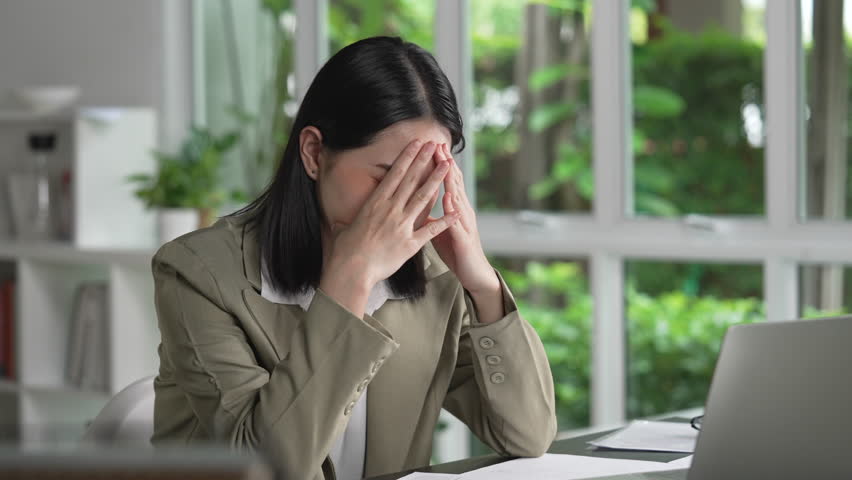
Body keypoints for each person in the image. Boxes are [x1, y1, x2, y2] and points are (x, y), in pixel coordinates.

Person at [150, 36, 556, 480]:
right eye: (388, 175)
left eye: (425, 178)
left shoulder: (435, 276)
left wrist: (481, 283)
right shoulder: (199, 274)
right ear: (313, 154)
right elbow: (267, 468)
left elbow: (527, 436)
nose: (407, 202)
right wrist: (350, 280)